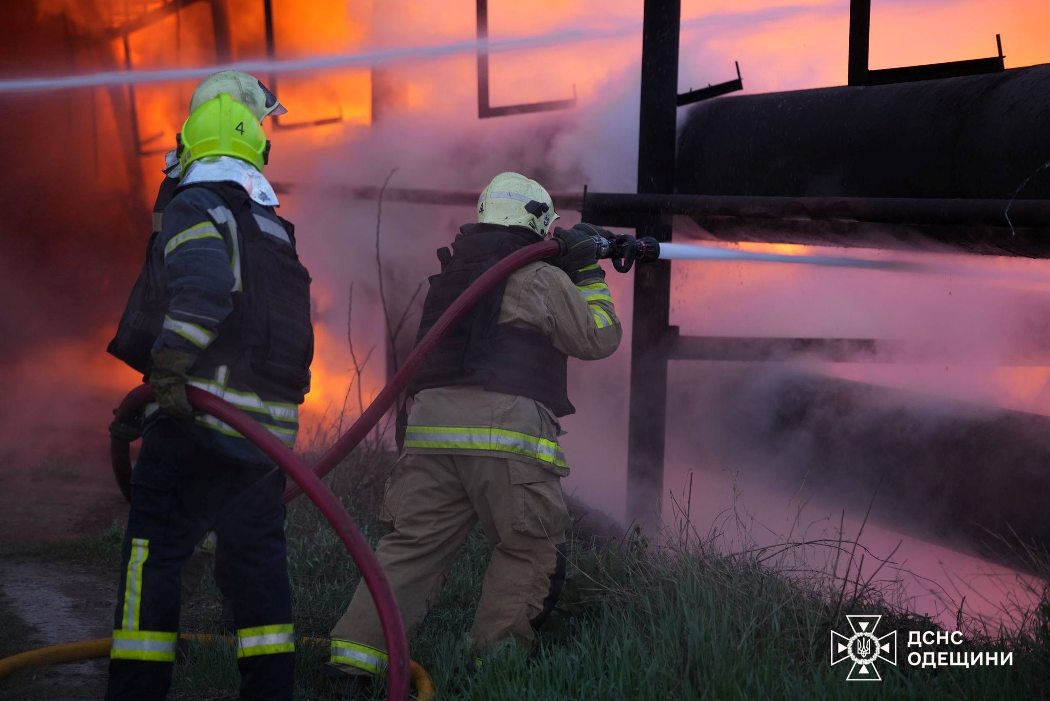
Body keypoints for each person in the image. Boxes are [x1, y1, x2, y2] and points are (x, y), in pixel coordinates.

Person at [327, 171, 622, 678]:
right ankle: (494, 669)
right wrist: (588, 275)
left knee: (411, 547)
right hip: (507, 437)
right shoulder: (537, 277)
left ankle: (353, 664)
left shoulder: (449, 277)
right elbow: (599, 337)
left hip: (431, 436)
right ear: (538, 224)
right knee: (527, 550)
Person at [104, 70, 311, 701]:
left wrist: (167, 368)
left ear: (190, 145)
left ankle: (135, 691)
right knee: (257, 572)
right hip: (263, 437)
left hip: (201, 421)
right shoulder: (272, 223)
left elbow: (205, 292)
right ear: (257, 149)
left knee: (155, 557)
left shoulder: (198, 204)